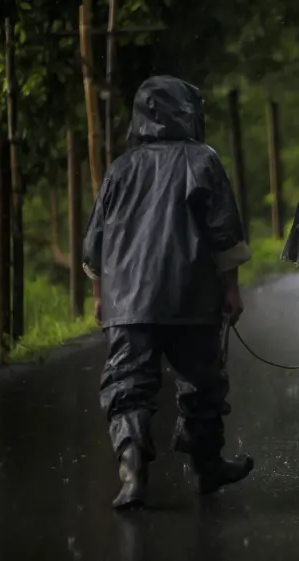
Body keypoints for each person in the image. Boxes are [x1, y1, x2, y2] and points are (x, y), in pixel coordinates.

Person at [82, 75, 253, 509]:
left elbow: (95, 242)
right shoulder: (203, 160)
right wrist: (231, 289)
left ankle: (132, 474)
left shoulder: (121, 167)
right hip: (188, 293)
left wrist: (102, 294)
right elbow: (224, 233)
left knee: (127, 385)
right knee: (202, 382)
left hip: (125, 299)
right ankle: (207, 468)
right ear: (188, 113)